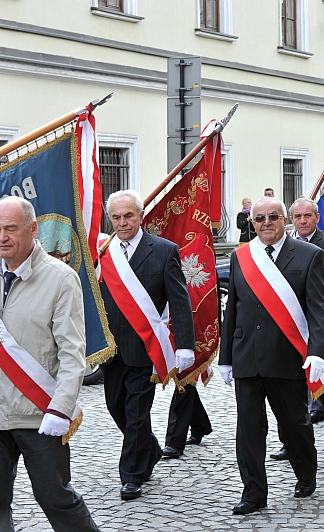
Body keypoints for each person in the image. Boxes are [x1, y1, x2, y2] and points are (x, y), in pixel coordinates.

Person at [0, 197, 99, 532]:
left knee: (54, 497)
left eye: (10, 229)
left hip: (40, 416)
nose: (2, 237)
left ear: (32, 229)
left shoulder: (60, 278)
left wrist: (61, 409)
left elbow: (73, 354)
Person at [218, 197, 324, 515]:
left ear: (285, 220)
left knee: (293, 424)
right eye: (259, 218)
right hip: (247, 358)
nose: (266, 223)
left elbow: (318, 311)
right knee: (249, 428)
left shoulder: (310, 256)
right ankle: (253, 492)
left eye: (273, 216)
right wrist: (225, 357)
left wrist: (317, 353)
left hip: (287, 356)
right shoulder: (242, 257)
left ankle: (306, 473)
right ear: (251, 223)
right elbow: (233, 310)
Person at [99, 190, 195, 500]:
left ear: (141, 216)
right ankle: (150, 449)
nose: (122, 222)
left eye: (128, 216)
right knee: (116, 407)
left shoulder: (164, 251)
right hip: (112, 350)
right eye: (116, 217)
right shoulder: (103, 252)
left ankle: (131, 475)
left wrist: (184, 345)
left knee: (137, 412)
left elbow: (180, 302)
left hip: (145, 347)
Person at [271, 198, 324, 461]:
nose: (302, 221)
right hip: (285, 322)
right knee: (287, 387)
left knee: (322, 381)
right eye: (297, 216)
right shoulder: (280, 242)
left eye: (307, 216)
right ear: (290, 219)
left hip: (314, 320)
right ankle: (291, 441)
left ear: (317, 217)